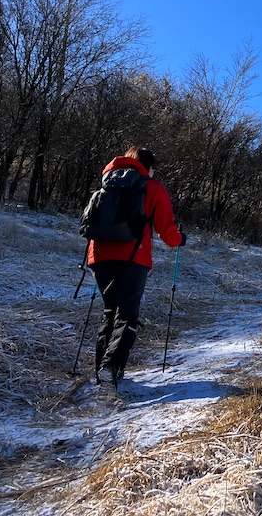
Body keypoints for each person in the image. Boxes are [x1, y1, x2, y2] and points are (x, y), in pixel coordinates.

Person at [87, 146, 186, 387]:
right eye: (153, 169)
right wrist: (180, 239)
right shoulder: (152, 186)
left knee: (110, 310)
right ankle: (111, 368)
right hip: (134, 257)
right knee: (127, 315)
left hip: (98, 255)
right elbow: (166, 229)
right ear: (149, 167)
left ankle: (102, 369)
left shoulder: (107, 182)